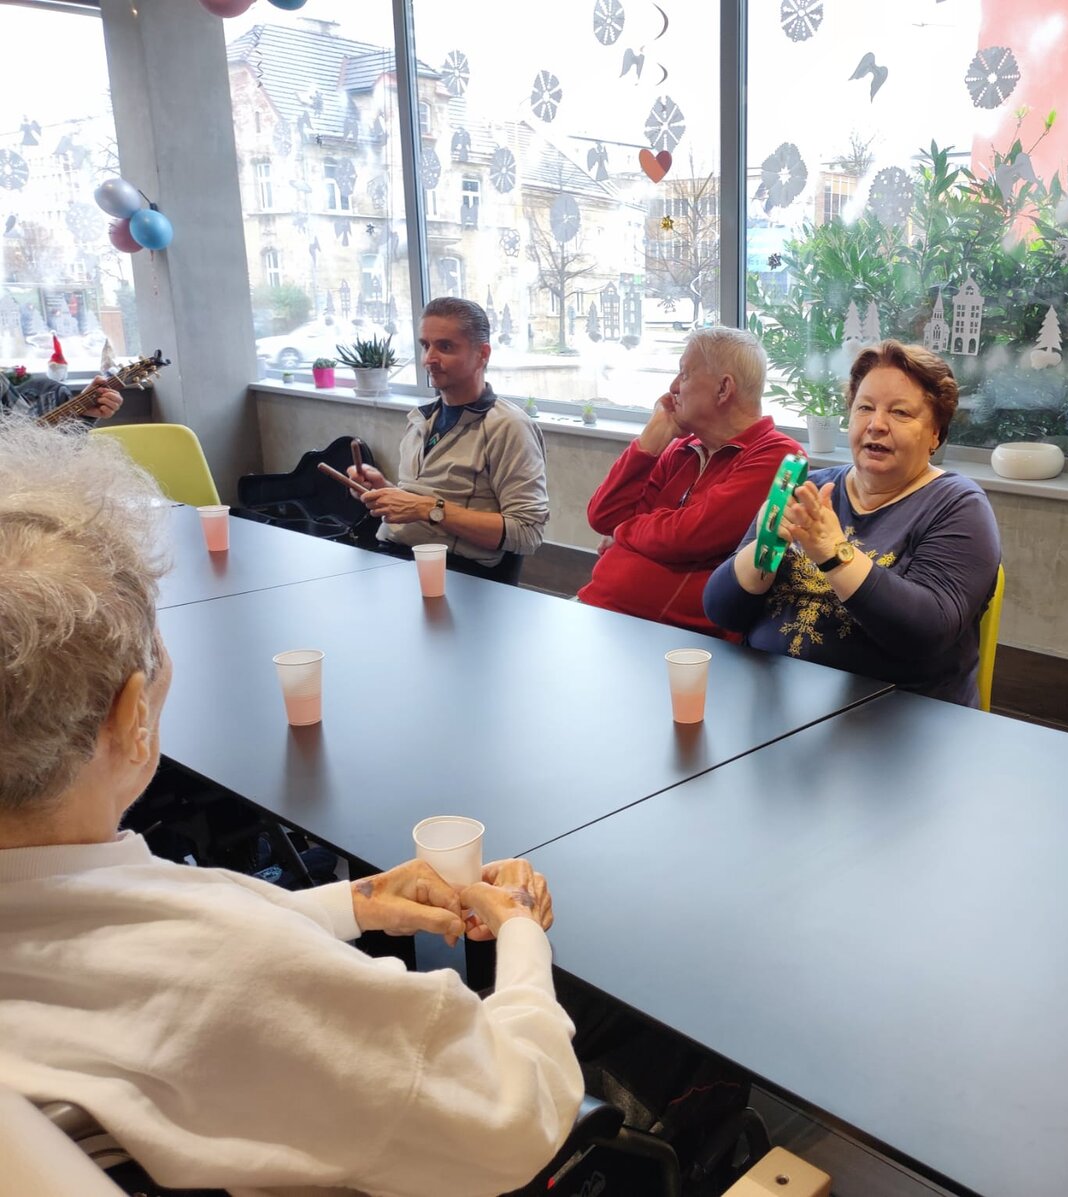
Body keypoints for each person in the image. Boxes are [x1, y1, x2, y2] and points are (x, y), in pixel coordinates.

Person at [0, 414, 583, 1197]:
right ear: (132, 715)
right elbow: (516, 1111)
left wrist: (353, 901)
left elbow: (138, 928)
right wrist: (520, 931)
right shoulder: (239, 979)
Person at [703, 340, 1001, 706]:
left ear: (936, 433)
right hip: (771, 701)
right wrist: (765, 545)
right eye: (865, 408)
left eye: (900, 413)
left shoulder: (958, 505)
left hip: (895, 716)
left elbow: (927, 632)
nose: (876, 425)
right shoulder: (810, 488)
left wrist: (833, 553)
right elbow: (722, 611)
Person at [578, 327, 801, 636]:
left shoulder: (781, 457)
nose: (672, 387)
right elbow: (603, 516)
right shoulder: (682, 448)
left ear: (723, 388)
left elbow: (688, 536)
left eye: (684, 374)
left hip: (679, 639)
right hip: (599, 612)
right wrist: (648, 444)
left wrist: (623, 532)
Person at [349, 297, 547, 583]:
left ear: (482, 354)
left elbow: (527, 533)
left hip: (458, 574)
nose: (428, 359)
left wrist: (426, 508)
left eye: (445, 347)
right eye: (425, 345)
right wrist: (384, 491)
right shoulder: (421, 419)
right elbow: (422, 502)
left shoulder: (508, 427)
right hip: (392, 557)